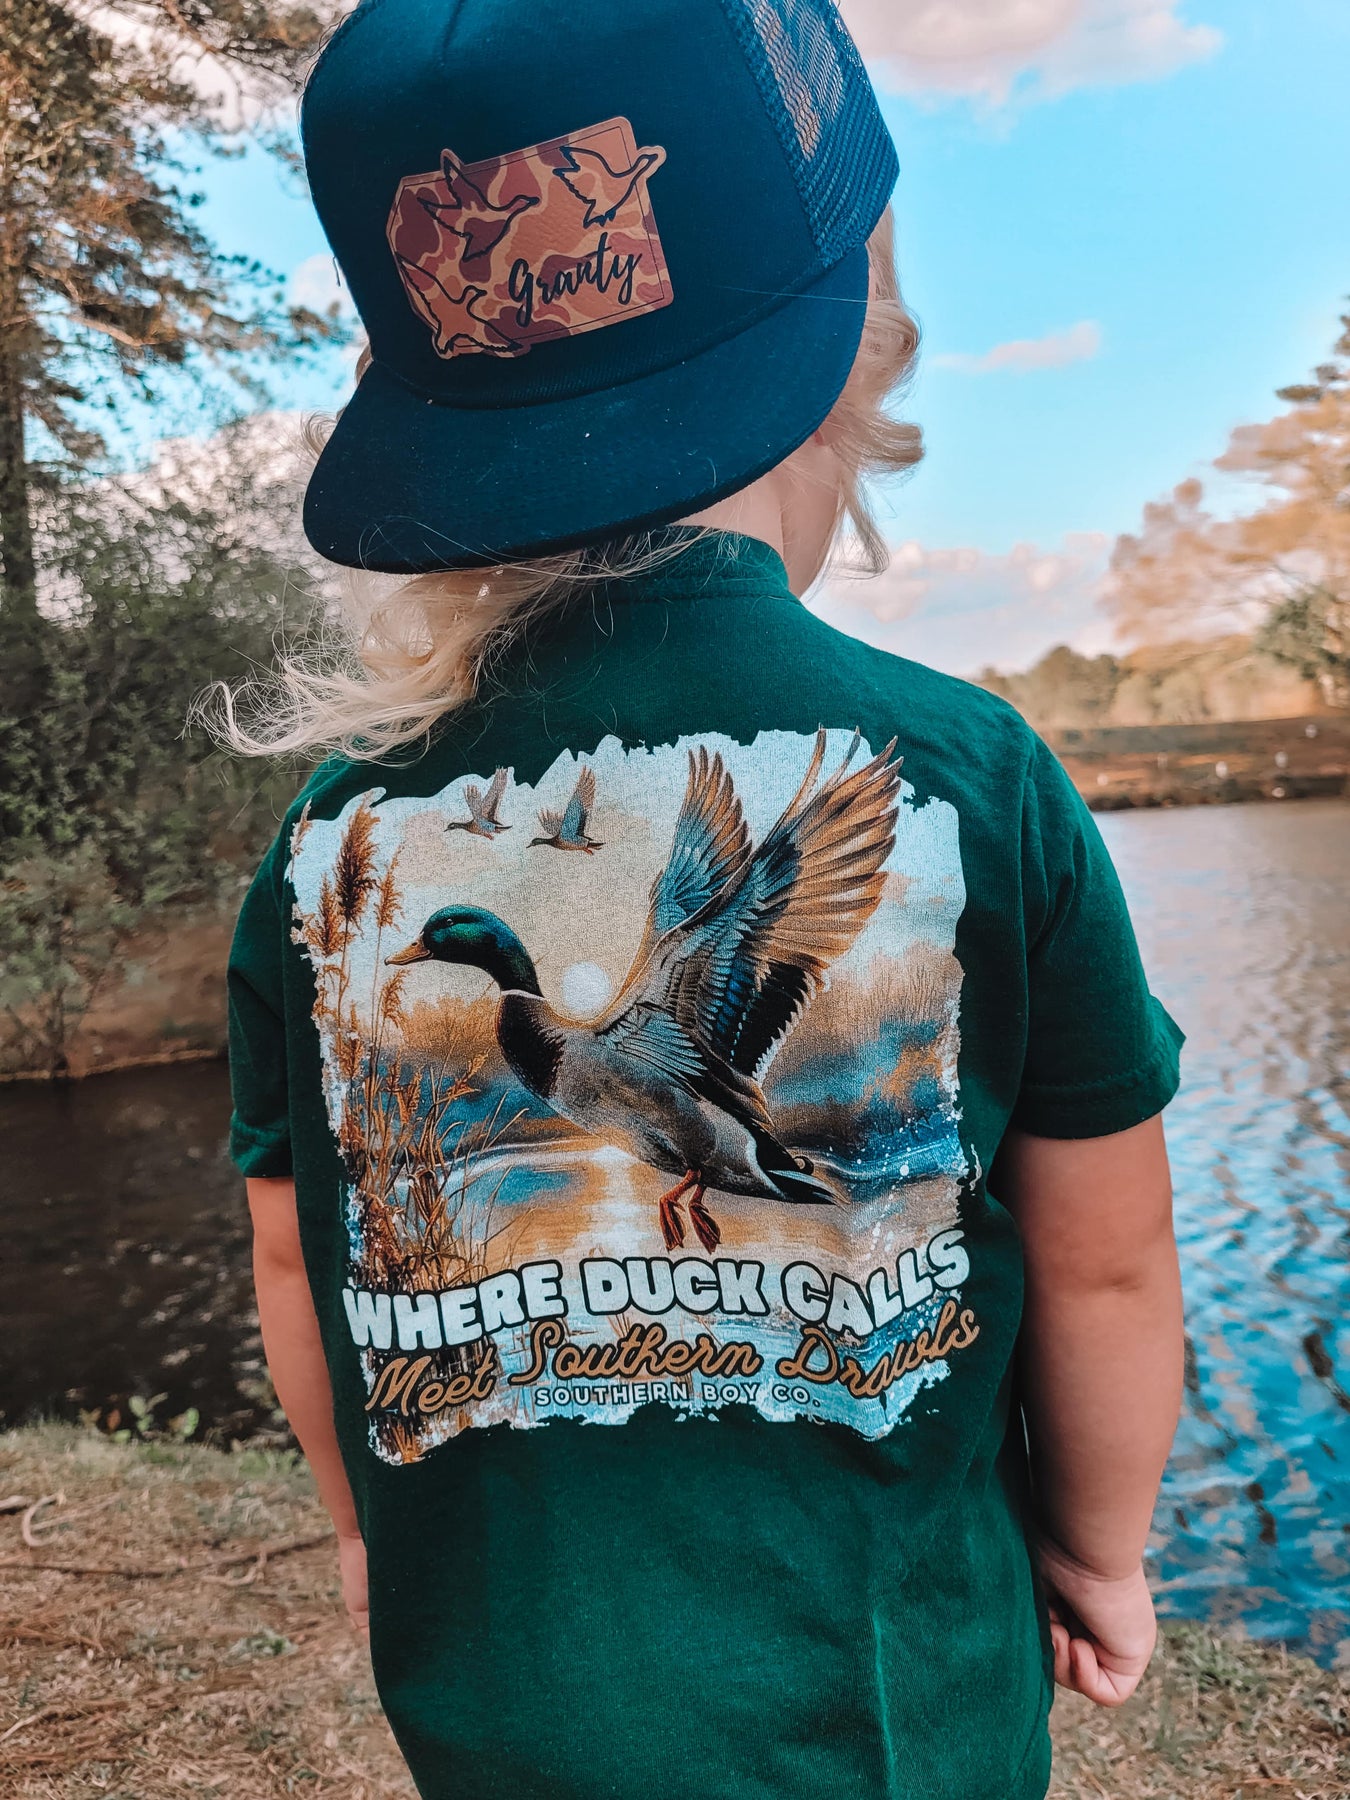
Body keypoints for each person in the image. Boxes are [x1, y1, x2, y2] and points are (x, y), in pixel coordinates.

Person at [221, 2, 1185, 1796]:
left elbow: (299, 1255)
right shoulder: (965, 766)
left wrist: (368, 1534)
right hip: (888, 1716)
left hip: (505, 1712)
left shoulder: (331, 834)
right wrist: (1098, 1547)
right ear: (848, 355)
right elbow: (1108, 1257)